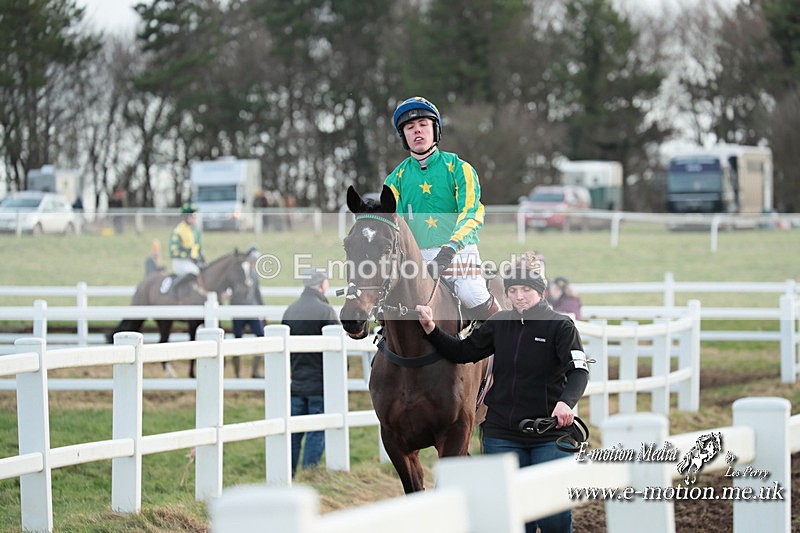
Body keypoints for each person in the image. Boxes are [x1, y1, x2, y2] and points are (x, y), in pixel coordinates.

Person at [415, 252, 589, 533]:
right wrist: (431, 329)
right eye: (513, 291)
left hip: (549, 434)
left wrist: (566, 403)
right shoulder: (498, 324)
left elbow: (579, 371)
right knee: (514, 516)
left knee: (553, 516)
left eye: (526, 290)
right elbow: (463, 352)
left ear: (539, 291)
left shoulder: (561, 327)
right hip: (502, 435)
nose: (519, 296)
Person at [384, 96, 498, 321]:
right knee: (388, 303)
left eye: (423, 125)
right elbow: (389, 224)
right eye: (410, 127)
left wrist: (449, 249)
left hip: (459, 254)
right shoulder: (394, 179)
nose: (417, 131)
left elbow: (472, 214)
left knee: (472, 294)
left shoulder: (460, 169)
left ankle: (508, 342)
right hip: (415, 260)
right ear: (404, 136)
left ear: (435, 130)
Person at [281, 267, 339, 475]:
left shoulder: (290, 310)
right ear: (322, 284)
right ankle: (309, 476)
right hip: (320, 383)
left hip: (296, 382)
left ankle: (289, 475)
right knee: (316, 432)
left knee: (294, 433)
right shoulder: (326, 311)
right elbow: (335, 350)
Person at [231, 244, 266, 378]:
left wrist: (264, 310)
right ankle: (237, 374)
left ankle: (255, 371)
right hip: (239, 311)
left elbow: (257, 293)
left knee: (261, 337)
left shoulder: (254, 274)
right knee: (236, 341)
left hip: (252, 311)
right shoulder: (238, 272)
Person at [169, 202, 205, 288]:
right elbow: (174, 252)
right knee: (195, 272)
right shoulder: (178, 231)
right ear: (186, 217)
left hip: (194, 261)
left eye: (195, 215)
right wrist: (189, 256)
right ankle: (174, 287)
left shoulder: (195, 230)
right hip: (181, 261)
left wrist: (201, 258)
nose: (195, 217)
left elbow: (198, 247)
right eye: (192, 216)